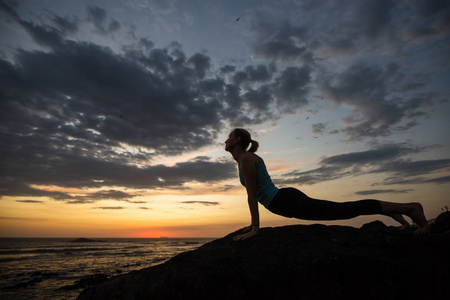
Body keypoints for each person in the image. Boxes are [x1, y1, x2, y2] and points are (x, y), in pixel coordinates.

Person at [225, 128, 430, 241]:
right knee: (343, 209)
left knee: (343, 210)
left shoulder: (247, 160)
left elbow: (252, 196)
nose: (225, 140)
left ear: (237, 140)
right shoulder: (244, 160)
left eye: (228, 137)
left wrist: (255, 229)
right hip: (285, 200)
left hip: (286, 202)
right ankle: (391, 211)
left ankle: (410, 208)